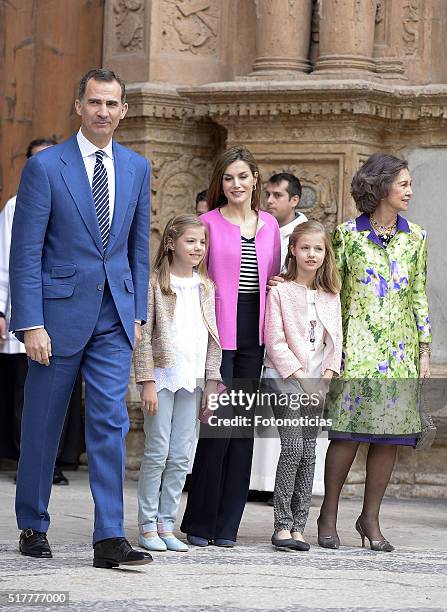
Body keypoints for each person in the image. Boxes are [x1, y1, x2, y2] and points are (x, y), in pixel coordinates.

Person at [9, 68, 152, 568]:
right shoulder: (46, 168)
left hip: (114, 313)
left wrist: (138, 314)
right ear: (79, 106)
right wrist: (30, 323)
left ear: (124, 110)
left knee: (110, 420)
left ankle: (109, 537)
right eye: (95, 103)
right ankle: (33, 522)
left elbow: (138, 247)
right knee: (44, 424)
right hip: (56, 317)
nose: (104, 112)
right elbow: (25, 252)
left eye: (112, 104)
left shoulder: (137, 167)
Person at [318, 153, 432, 552]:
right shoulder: (347, 235)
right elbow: (334, 295)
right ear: (381, 186)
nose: (410, 191)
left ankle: (370, 519)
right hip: (357, 348)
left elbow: (419, 295)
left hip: (400, 351)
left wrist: (423, 349)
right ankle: (328, 514)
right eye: (403, 184)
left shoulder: (416, 237)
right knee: (347, 435)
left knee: (390, 438)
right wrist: (334, 350)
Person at [180, 146, 281, 547]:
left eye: (242, 176)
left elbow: (273, 276)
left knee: (242, 431)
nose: (236, 184)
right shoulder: (206, 222)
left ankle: (227, 527)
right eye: (228, 178)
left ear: (255, 179)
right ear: (220, 183)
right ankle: (200, 523)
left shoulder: (270, 224)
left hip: (255, 333)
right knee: (216, 428)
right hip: (218, 333)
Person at [134, 214, 221, 552]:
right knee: (157, 452)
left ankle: (166, 523)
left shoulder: (206, 286)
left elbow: (214, 339)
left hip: (193, 381)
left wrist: (211, 383)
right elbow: (143, 338)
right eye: (191, 241)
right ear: (171, 243)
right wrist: (147, 381)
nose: (198, 247)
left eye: (202, 242)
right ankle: (146, 524)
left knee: (181, 455)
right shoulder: (156, 283)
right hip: (163, 378)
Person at [0, 138, 80, 486]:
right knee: (27, 392)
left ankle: (56, 461)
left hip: (67, 311)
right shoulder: (16, 206)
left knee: (64, 390)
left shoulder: (78, 197)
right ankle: (26, 461)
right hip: (27, 311)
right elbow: (8, 262)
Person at [264, 221, 342, 551]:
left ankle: (299, 526)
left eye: (318, 249)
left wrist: (324, 381)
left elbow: (335, 342)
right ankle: (281, 525)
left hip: (317, 382)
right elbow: (275, 341)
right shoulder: (280, 292)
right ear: (293, 250)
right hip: (284, 378)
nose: (312, 254)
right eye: (305, 247)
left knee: (310, 453)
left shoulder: (331, 295)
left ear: (326, 255)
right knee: (294, 448)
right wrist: (301, 378)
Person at [251, 172, 310, 499]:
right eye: (268, 195)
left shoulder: (304, 236)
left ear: (294, 200)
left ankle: (280, 486)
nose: (270, 201)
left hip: (292, 331)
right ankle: (256, 481)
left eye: (277, 195)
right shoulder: (259, 226)